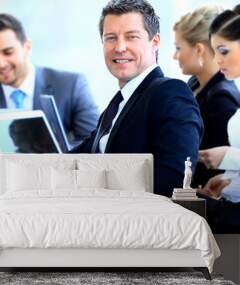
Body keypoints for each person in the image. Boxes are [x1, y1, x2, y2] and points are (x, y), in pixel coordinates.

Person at [70, 0, 203, 198]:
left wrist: (95, 188)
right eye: (111, 38)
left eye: (132, 37)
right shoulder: (117, 104)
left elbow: (175, 178)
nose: (120, 47)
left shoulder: (170, 93)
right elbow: (74, 157)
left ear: (155, 42)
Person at [0, 13, 99, 145]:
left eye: (8, 52)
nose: (0, 64)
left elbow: (94, 144)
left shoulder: (71, 86)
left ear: (27, 47)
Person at [173, 6, 240, 188]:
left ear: (199, 50)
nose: (174, 56)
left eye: (179, 48)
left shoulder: (222, 100)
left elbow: (222, 170)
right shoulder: (193, 84)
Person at [197, 7, 240, 233]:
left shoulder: (223, 95)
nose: (217, 60)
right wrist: (227, 181)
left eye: (223, 51)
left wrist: (228, 157)